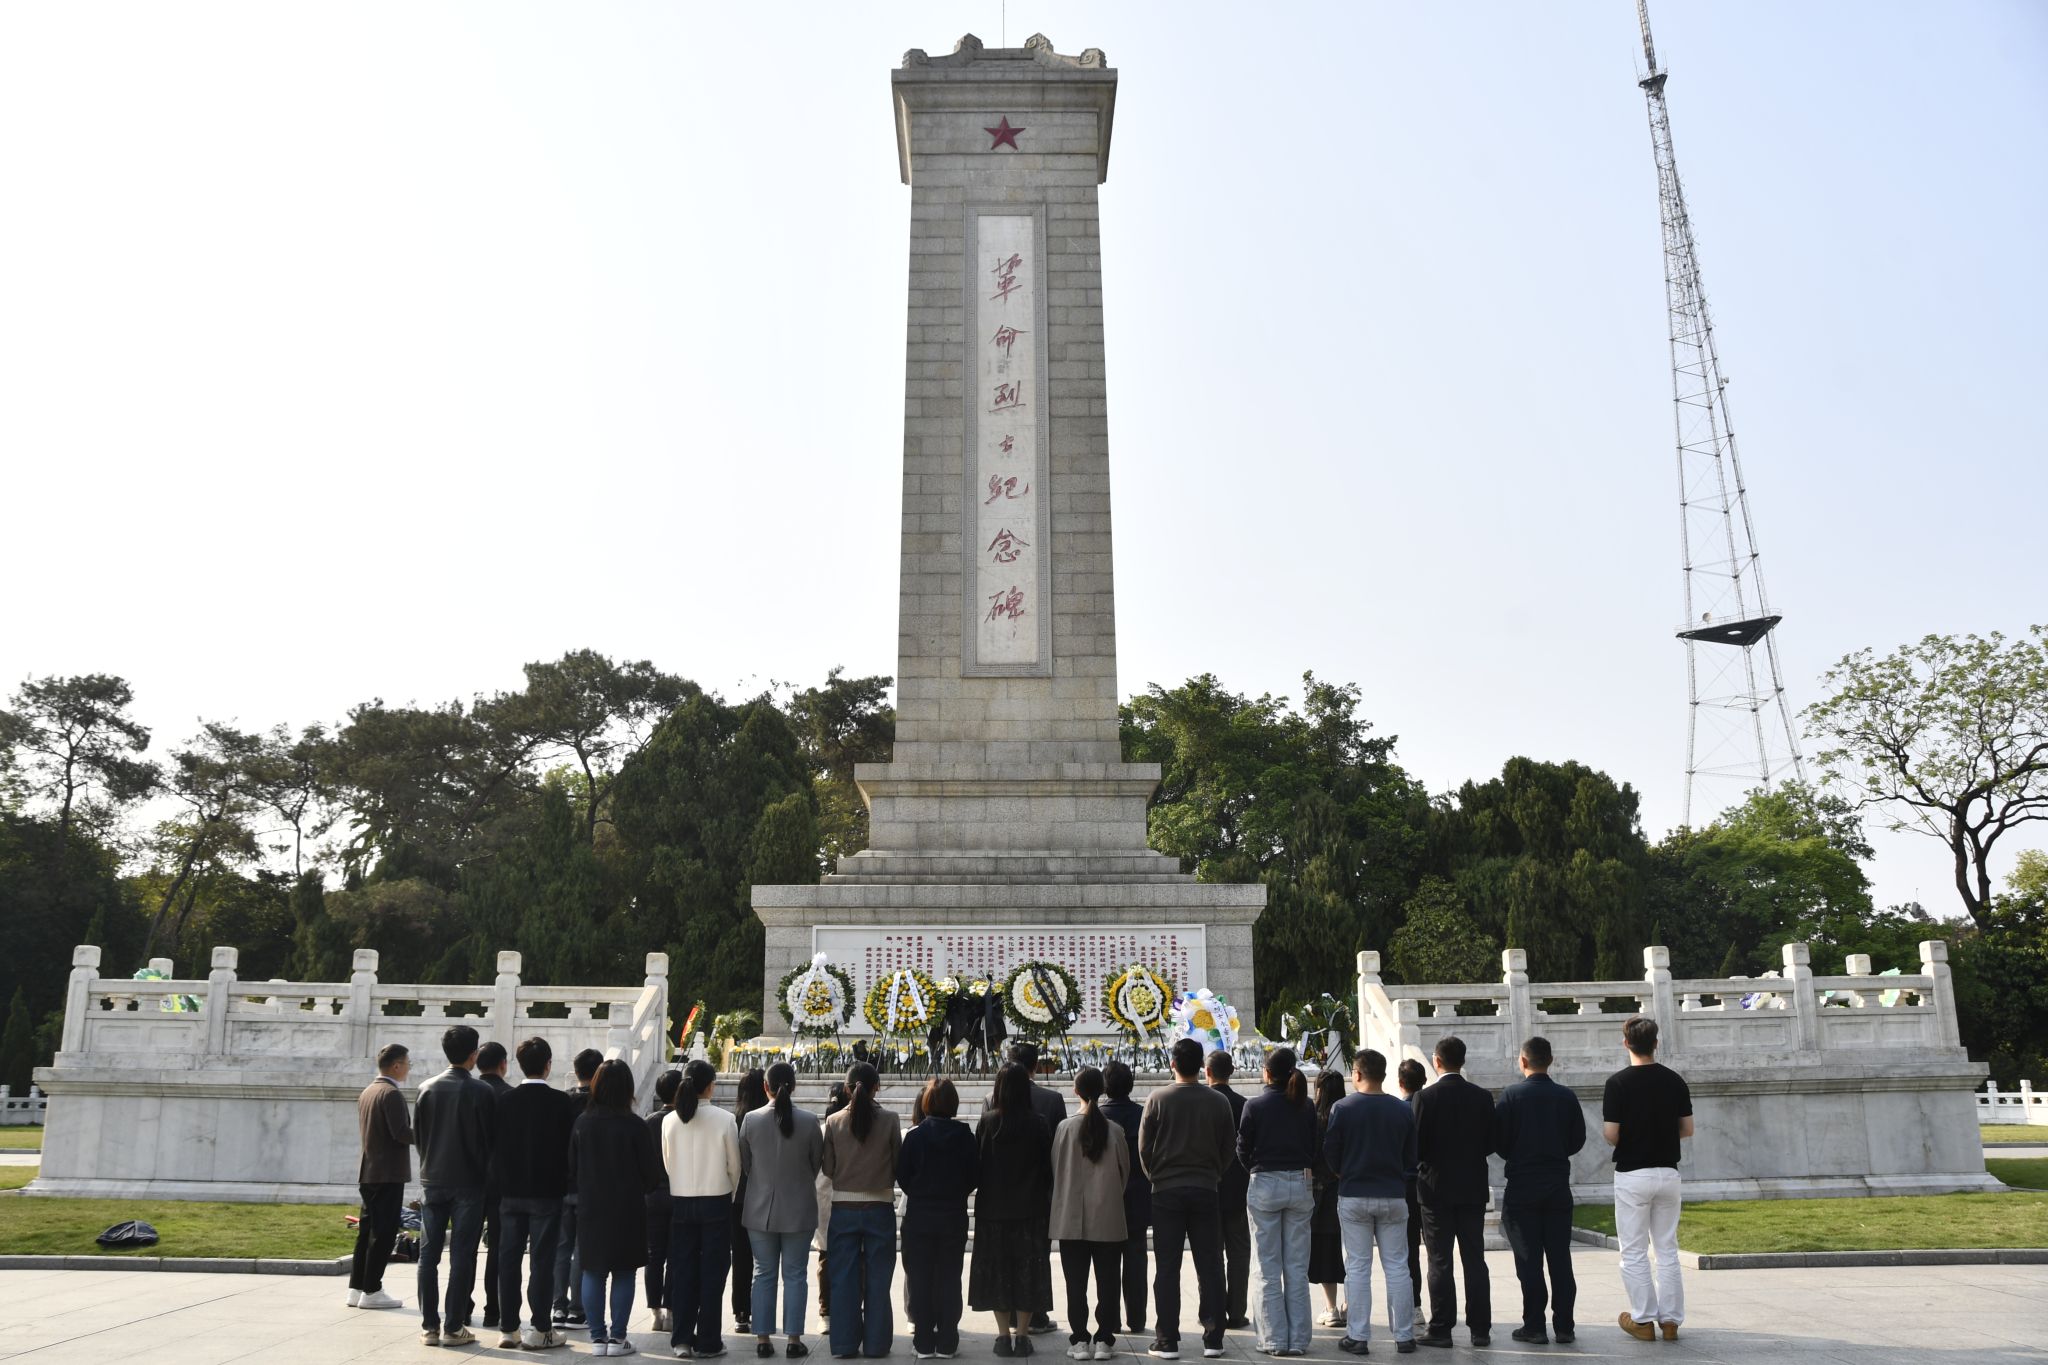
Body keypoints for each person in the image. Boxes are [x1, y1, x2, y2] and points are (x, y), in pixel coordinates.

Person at [1137, 1037, 1236, 1361]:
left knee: (1167, 1267)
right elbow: (1228, 1146)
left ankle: (1167, 1340)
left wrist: (1155, 1176)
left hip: (1166, 1191)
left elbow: (1144, 1148)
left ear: (1173, 1064)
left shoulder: (1158, 1098)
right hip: (1206, 1187)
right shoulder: (1217, 1101)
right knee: (1210, 1264)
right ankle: (1213, 1337)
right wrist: (1214, 1173)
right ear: (1201, 1066)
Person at [1490, 1036, 1586, 1346]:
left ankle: (1534, 1325)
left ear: (1523, 1061)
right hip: (1557, 1183)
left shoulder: (1512, 1095)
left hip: (1522, 1184)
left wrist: (1518, 1154)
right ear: (1551, 1060)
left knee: (1528, 1259)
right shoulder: (1566, 1096)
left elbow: (1499, 1140)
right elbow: (1577, 1139)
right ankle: (1565, 1326)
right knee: (1560, 1258)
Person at [1603, 1016, 1692, 1343]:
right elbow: (1687, 1129)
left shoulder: (1617, 1083)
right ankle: (1670, 1321)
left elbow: (1611, 1133)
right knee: (1667, 1248)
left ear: (1626, 1043)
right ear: (1656, 1043)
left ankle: (1643, 1319)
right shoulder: (1674, 1080)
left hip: (1633, 1173)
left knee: (1634, 1250)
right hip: (1668, 1172)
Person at [1324, 1049, 1417, 1356]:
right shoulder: (1402, 1110)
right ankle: (1404, 1335)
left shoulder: (1342, 1108)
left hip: (1354, 1193)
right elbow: (1411, 1156)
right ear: (1384, 1074)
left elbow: (1331, 1151)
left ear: (1358, 1074)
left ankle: (1358, 1335)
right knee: (1397, 1266)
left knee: (1358, 1267)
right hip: (1392, 1193)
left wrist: (1343, 1171)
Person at [573, 1058, 666, 1357]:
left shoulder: (583, 1123)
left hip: (591, 1207)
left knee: (593, 1272)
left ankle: (597, 1337)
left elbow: (571, 1168)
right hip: (628, 1208)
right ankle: (617, 1338)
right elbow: (651, 1175)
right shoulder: (635, 1125)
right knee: (624, 1272)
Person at [415, 1023, 497, 1348]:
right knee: (462, 1255)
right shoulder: (481, 1091)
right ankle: (453, 1325)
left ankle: (429, 1326)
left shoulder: (426, 1088)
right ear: (473, 1055)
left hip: (432, 1178)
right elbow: (491, 1141)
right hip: (469, 1182)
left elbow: (419, 1137)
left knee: (428, 1256)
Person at [495, 1035, 577, 1350]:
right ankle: (541, 1327)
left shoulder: (504, 1100)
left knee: (508, 1260)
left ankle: (508, 1327)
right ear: (548, 1065)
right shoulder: (561, 1102)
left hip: (511, 1191)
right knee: (542, 1262)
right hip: (547, 1192)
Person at [1410, 1036, 1492, 1349]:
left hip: (1435, 1189)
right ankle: (1480, 1329)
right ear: (1463, 1060)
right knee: (1475, 1259)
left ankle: (1442, 1327)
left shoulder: (1425, 1098)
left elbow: (1416, 1145)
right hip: (1472, 1187)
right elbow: (1490, 1142)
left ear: (1437, 1061)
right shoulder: (1482, 1097)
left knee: (1439, 1260)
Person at [742, 1061, 826, 1360]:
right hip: (799, 1207)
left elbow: (746, 1165)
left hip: (759, 1208)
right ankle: (793, 1338)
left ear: (765, 1086)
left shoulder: (751, 1119)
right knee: (795, 1275)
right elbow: (816, 1163)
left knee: (763, 1273)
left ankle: (763, 1338)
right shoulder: (810, 1121)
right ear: (795, 1086)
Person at [1236, 1048, 1316, 1357]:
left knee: (1266, 1266)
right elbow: (1313, 1144)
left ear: (1267, 1073)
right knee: (1296, 1267)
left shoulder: (1255, 1105)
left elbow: (1242, 1148)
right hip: (1300, 1180)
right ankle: (1298, 1339)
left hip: (1265, 1181)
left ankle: (1273, 1339)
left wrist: (1256, 1170)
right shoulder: (1305, 1104)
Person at [984, 1042, 1068, 1336]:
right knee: (1033, 1259)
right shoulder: (1051, 1102)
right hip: (1035, 1198)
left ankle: (1007, 1320)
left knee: (1002, 1261)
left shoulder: (990, 1102)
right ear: (1035, 1066)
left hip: (997, 1198)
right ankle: (1034, 1317)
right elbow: (1055, 1152)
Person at [972, 1062, 1055, 1357]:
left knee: (998, 1270)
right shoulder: (1039, 1123)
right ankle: (1022, 1335)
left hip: (993, 1210)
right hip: (1030, 1210)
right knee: (1027, 1271)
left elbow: (977, 1166)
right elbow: (1048, 1169)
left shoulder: (988, 1122)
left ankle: (1002, 1336)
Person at [823, 1061, 903, 1359]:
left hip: (843, 1207)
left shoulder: (834, 1121)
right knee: (879, 1279)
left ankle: (844, 1344)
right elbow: (898, 1163)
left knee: (843, 1278)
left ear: (846, 1089)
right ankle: (877, 1344)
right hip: (879, 1205)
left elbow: (828, 1168)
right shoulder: (890, 1120)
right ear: (876, 1087)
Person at [666, 1058, 745, 1360]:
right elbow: (734, 1166)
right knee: (713, 1272)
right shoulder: (724, 1120)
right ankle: (709, 1340)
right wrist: (729, 1191)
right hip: (716, 1200)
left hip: (681, 1199)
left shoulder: (669, 1120)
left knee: (683, 1270)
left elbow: (668, 1162)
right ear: (711, 1086)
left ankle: (682, 1339)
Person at [1053, 1067, 1130, 1361]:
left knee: (1076, 1283)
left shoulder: (1064, 1128)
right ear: (1103, 1090)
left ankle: (1080, 1339)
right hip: (1108, 1215)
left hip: (1071, 1217)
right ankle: (1104, 1340)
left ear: (1076, 1091)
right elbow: (1124, 1173)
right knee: (1108, 1282)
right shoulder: (1115, 1130)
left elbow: (1056, 1169)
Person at [899, 1076, 978, 1360]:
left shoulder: (915, 1136)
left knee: (920, 1278)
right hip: (952, 1215)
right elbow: (974, 1175)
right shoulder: (965, 1136)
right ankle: (947, 1340)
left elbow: (903, 1175)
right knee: (949, 1278)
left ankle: (923, 1341)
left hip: (919, 1216)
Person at [349, 1042, 412, 1312]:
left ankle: (357, 1287)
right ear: (396, 1066)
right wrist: (430, 1134)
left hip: (369, 1170)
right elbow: (401, 1133)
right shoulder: (391, 1094)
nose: (408, 1068)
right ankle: (372, 1289)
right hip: (388, 1172)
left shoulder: (369, 1091)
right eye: (407, 1063)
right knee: (383, 1232)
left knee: (366, 1232)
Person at [1099, 1062, 1152, 1340]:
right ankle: (1137, 1317)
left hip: (1106, 1197)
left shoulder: (1097, 1118)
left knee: (1107, 1262)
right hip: (1137, 1196)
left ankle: (1110, 1320)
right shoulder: (1142, 1115)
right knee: (1136, 1260)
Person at [556, 1048, 606, 1330]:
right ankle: (577, 1309)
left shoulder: (562, 1101)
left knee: (562, 1248)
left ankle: (558, 1306)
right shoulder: (601, 1105)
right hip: (590, 1186)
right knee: (581, 1249)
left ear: (575, 1071)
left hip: (562, 1184)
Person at [1203, 1052, 1252, 1333]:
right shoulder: (1243, 1104)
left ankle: (1212, 1311)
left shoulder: (1203, 1103)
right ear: (1232, 1071)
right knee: (1239, 1253)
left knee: (1210, 1253)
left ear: (1207, 1071)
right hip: (1237, 1187)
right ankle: (1236, 1311)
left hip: (1207, 1185)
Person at [477, 1040, 513, 1334]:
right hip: (502, 1180)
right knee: (498, 1248)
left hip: (469, 1178)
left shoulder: (468, 1091)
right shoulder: (509, 1096)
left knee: (465, 1247)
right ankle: (493, 1309)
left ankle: (461, 1308)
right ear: (503, 1064)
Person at [1307, 1071, 1347, 1331]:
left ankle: (1331, 1307)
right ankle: (1349, 1305)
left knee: (1326, 1252)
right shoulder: (1348, 1113)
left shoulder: (1314, 1117)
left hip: (1320, 1193)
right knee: (1352, 1253)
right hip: (1348, 1188)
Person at [646, 1070, 684, 1335]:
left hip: (652, 1194)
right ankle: (671, 1310)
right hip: (678, 1192)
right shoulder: (682, 1120)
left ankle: (654, 1312)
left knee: (654, 1254)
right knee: (675, 1254)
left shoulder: (649, 1121)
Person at [733, 1070, 770, 1337]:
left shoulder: (734, 1120)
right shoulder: (768, 1120)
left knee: (741, 1257)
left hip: (739, 1196)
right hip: (765, 1194)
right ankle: (762, 1313)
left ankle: (741, 1313)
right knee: (765, 1261)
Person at [1393, 1060, 1427, 1320]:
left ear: (1400, 1082)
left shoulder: (1397, 1111)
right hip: (1429, 1182)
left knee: (1408, 1250)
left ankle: (1414, 1306)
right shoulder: (1431, 1108)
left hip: (1404, 1185)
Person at [814, 1082, 849, 1326]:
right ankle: (849, 1308)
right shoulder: (850, 1126)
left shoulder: (821, 1130)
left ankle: (825, 1312)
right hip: (848, 1196)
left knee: (825, 1256)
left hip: (823, 1196)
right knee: (851, 1256)